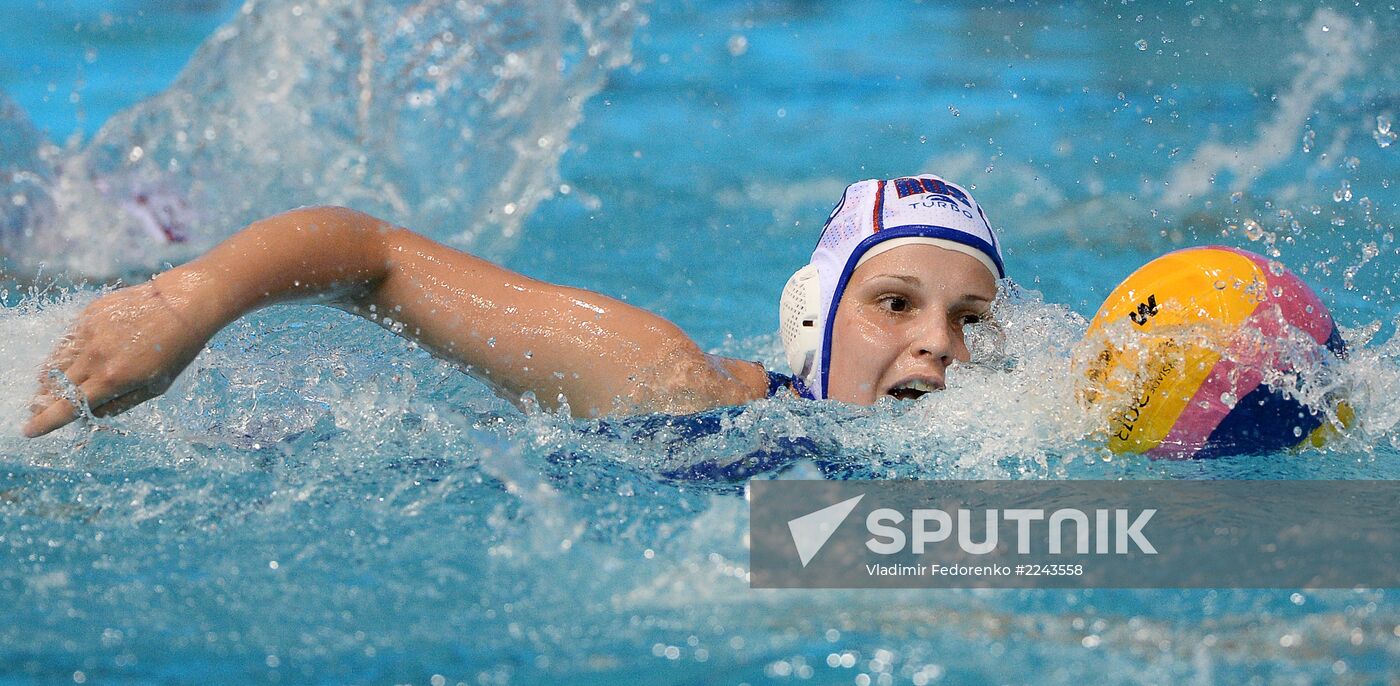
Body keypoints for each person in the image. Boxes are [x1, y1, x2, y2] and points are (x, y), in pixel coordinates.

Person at [22, 173, 1004, 439]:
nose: (935, 343)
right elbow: (373, 256)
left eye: (969, 319)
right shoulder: (673, 388)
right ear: (811, 318)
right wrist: (182, 299)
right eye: (892, 301)